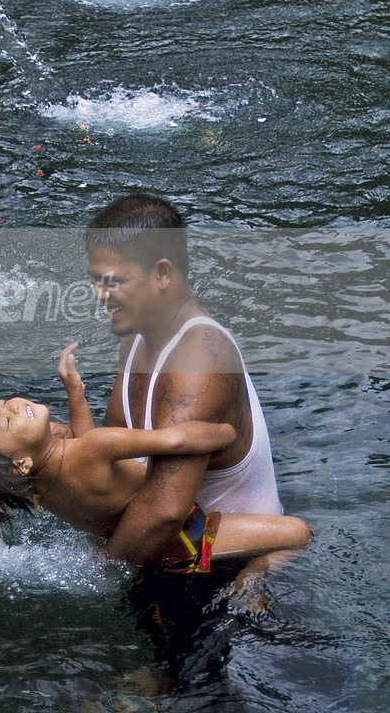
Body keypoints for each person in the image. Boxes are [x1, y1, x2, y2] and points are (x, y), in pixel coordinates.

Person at [0, 343, 311, 572]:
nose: (13, 404)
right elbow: (174, 441)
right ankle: (254, 578)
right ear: (19, 463)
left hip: (135, 552)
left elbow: (79, 455)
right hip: (186, 540)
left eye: (0, 402)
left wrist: (75, 392)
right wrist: (225, 434)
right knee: (296, 534)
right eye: (7, 420)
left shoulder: (35, 488)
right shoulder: (97, 447)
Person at [84, 194, 290, 565]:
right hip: (177, 553)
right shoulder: (134, 337)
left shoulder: (199, 361)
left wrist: (95, 572)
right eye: (95, 281)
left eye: (112, 282)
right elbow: (116, 455)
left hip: (231, 572)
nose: (99, 295)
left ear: (162, 274)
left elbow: (164, 512)